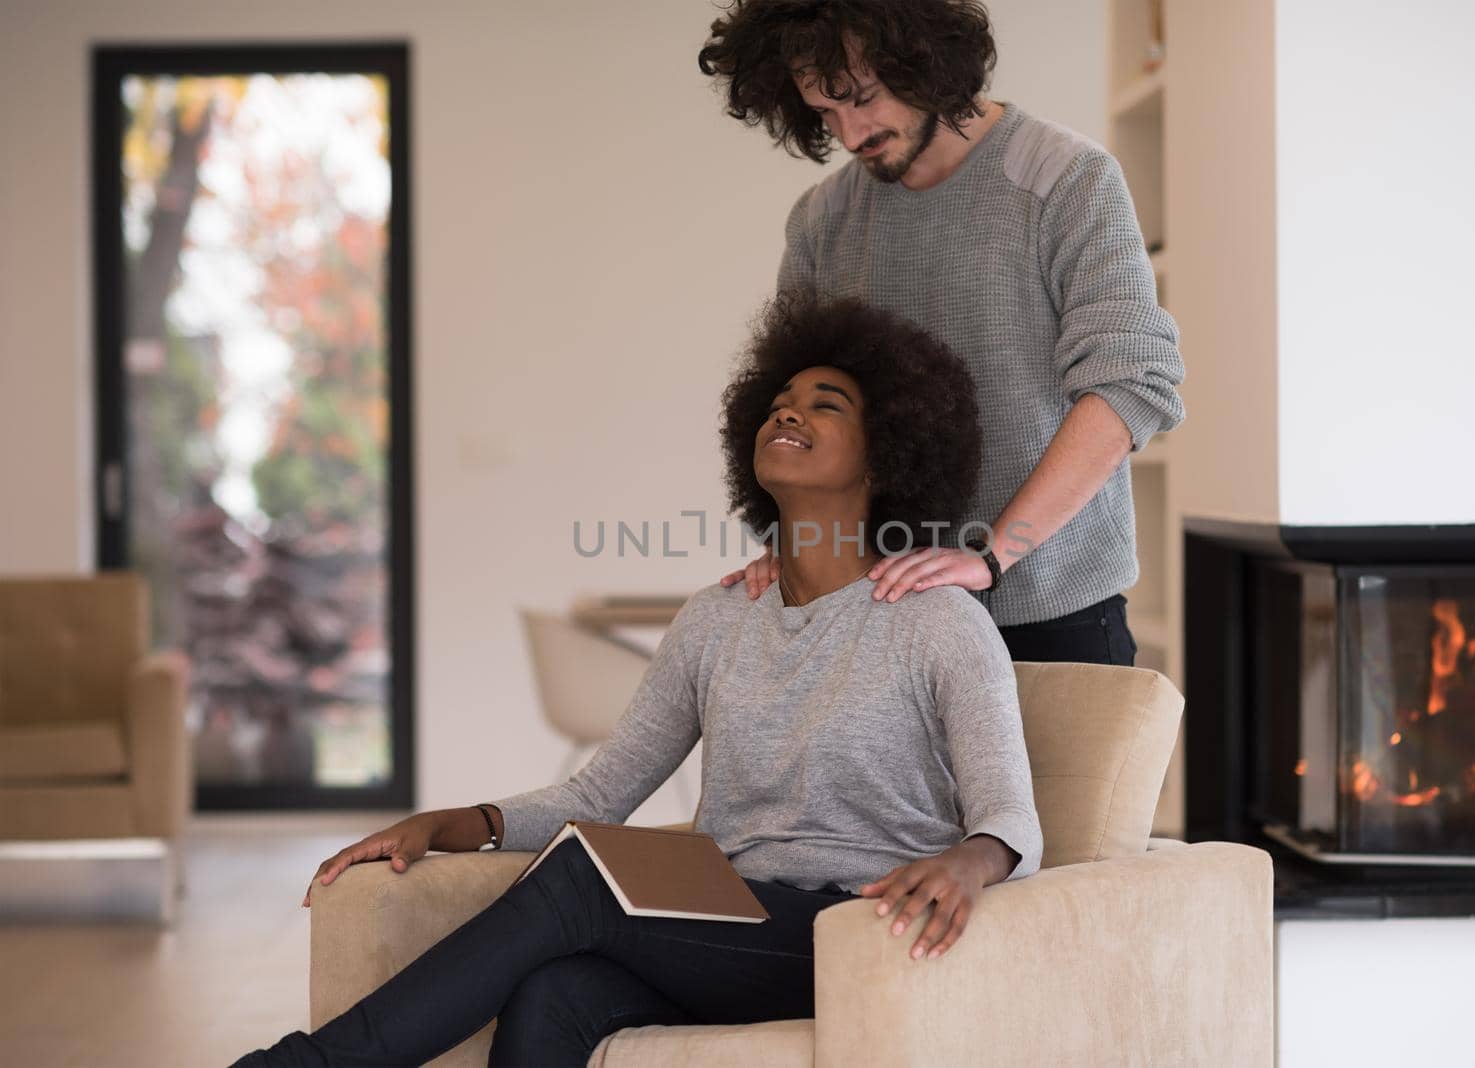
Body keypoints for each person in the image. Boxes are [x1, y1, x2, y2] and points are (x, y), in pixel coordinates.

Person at [233, 292, 1043, 1067]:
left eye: (827, 403)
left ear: (889, 455)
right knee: (553, 995)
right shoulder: (715, 620)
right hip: (724, 925)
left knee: (588, 880)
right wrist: (449, 822)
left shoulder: (935, 619)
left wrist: (967, 865)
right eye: (780, 400)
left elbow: (1009, 819)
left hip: (860, 931)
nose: (788, 412)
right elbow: (594, 798)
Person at [699, 0, 1185, 665]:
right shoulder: (823, 221)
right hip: (878, 616)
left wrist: (992, 554)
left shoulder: (1065, 179)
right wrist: (790, 549)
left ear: (923, 58)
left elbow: (1130, 384)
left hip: (1050, 618)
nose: (849, 132)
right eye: (824, 112)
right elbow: (800, 405)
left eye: (863, 98)